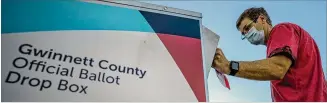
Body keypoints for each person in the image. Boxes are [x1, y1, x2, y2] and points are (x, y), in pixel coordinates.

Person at [211, 7, 327, 102]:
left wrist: (229, 66)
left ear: (262, 19)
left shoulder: (281, 30)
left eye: (247, 28)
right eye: (243, 34)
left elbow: (277, 68)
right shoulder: (279, 46)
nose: (247, 35)